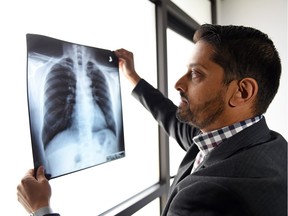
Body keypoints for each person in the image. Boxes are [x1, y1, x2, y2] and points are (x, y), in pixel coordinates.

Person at [17, 24, 287, 216]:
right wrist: (134, 79)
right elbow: (176, 121)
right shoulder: (269, 145)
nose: (178, 83)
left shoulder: (210, 195)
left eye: (196, 74)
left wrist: (41, 210)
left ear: (242, 91)